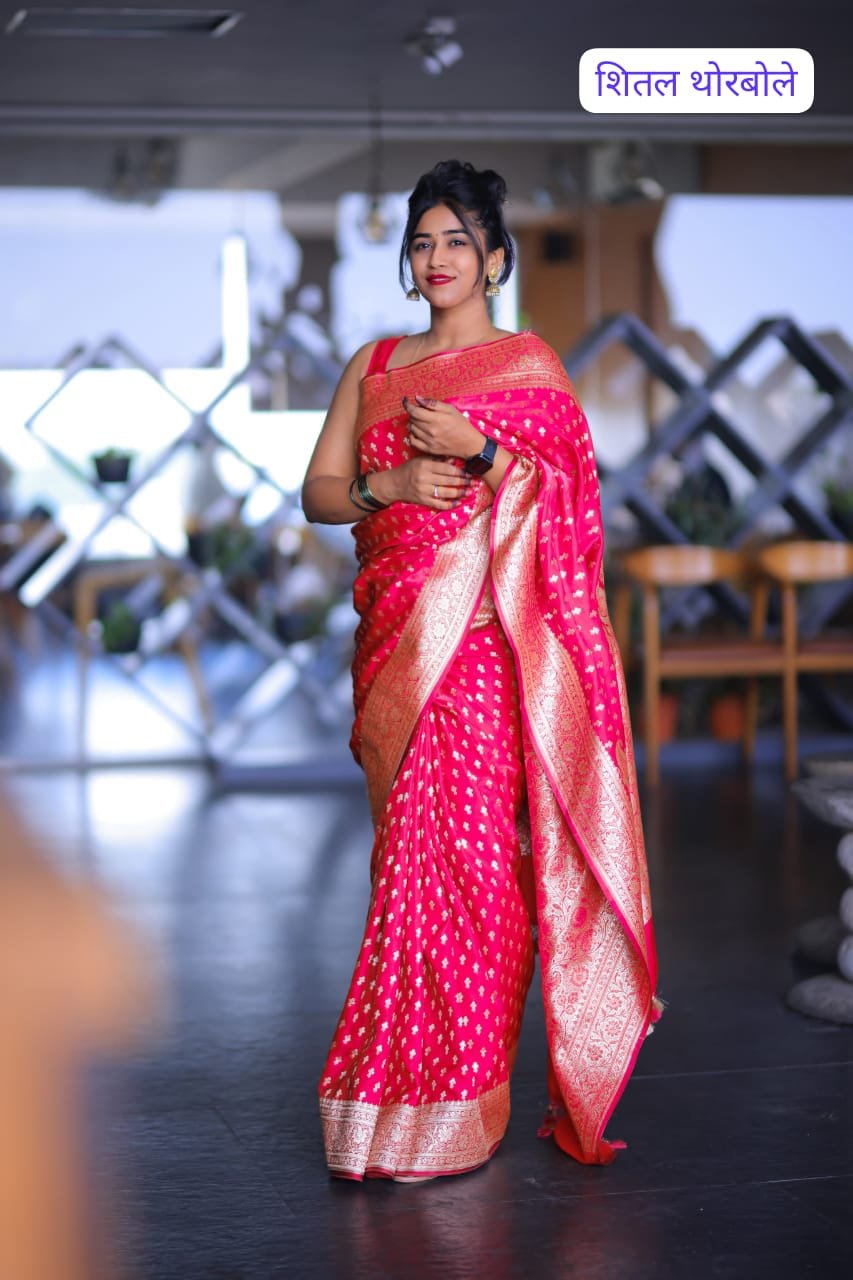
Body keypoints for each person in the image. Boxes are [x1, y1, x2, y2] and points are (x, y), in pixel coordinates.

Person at [302, 160, 661, 1183]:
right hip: (396, 648)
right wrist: (386, 482)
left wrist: (482, 452)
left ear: (495, 259)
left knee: (469, 862)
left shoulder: (529, 368)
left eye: (456, 241)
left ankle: (458, 1099)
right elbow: (319, 491)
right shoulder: (373, 363)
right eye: (421, 242)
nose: (437, 258)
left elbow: (573, 509)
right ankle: (388, 1101)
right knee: (407, 867)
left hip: (485, 655)